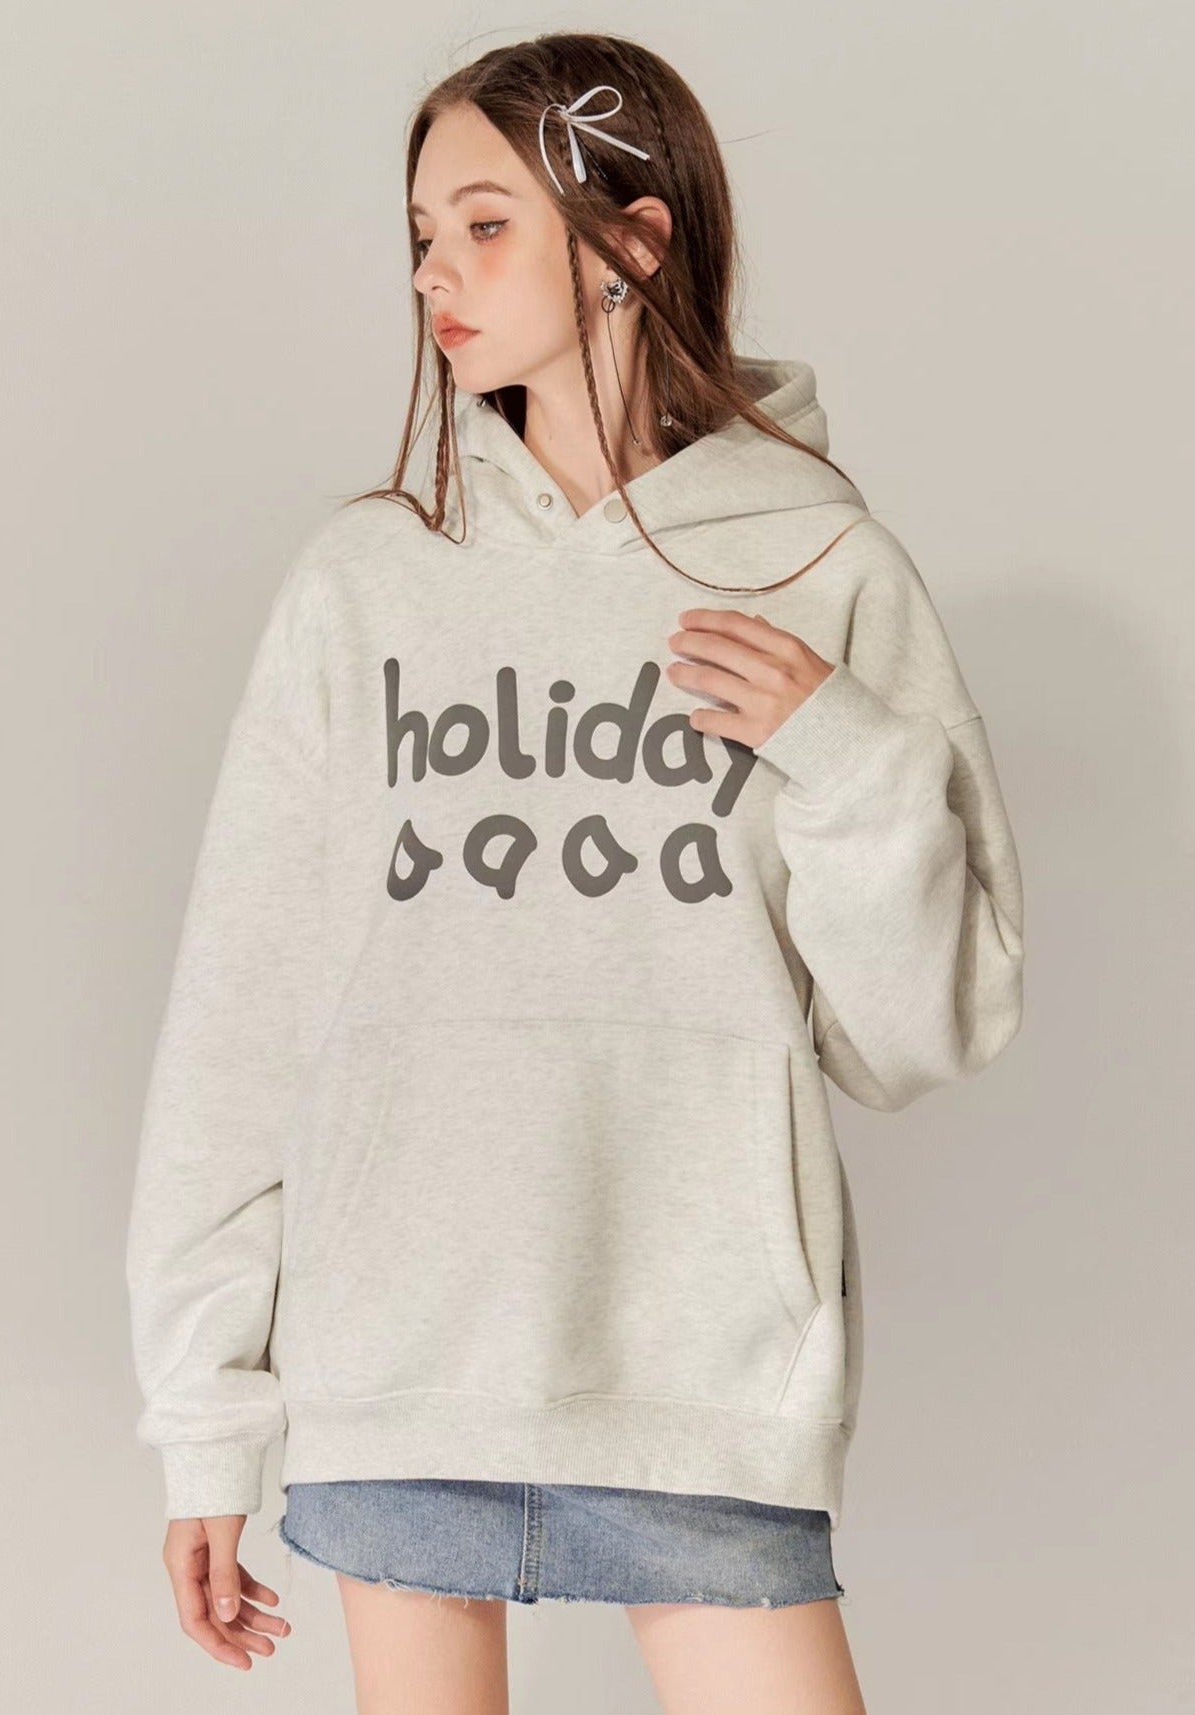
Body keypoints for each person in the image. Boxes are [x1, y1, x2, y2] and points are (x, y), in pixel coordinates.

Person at [124, 30, 1024, 1715]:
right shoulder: (368, 580)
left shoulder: (816, 561)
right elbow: (244, 1010)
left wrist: (848, 758)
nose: (432, 276)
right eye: (419, 236)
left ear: (630, 242)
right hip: (398, 1358)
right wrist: (204, 1423)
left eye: (483, 227)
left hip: (699, 1367)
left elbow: (920, 1035)